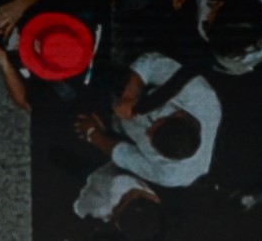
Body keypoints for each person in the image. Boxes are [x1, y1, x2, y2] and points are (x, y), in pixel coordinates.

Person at [75, 51, 222, 188]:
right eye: (154, 127)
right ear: (179, 114)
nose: (147, 132)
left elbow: (125, 155)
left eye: (150, 139)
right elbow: (151, 63)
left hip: (120, 127)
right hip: (138, 90)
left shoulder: (171, 175)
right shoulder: (201, 96)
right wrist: (129, 95)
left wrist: (92, 133)